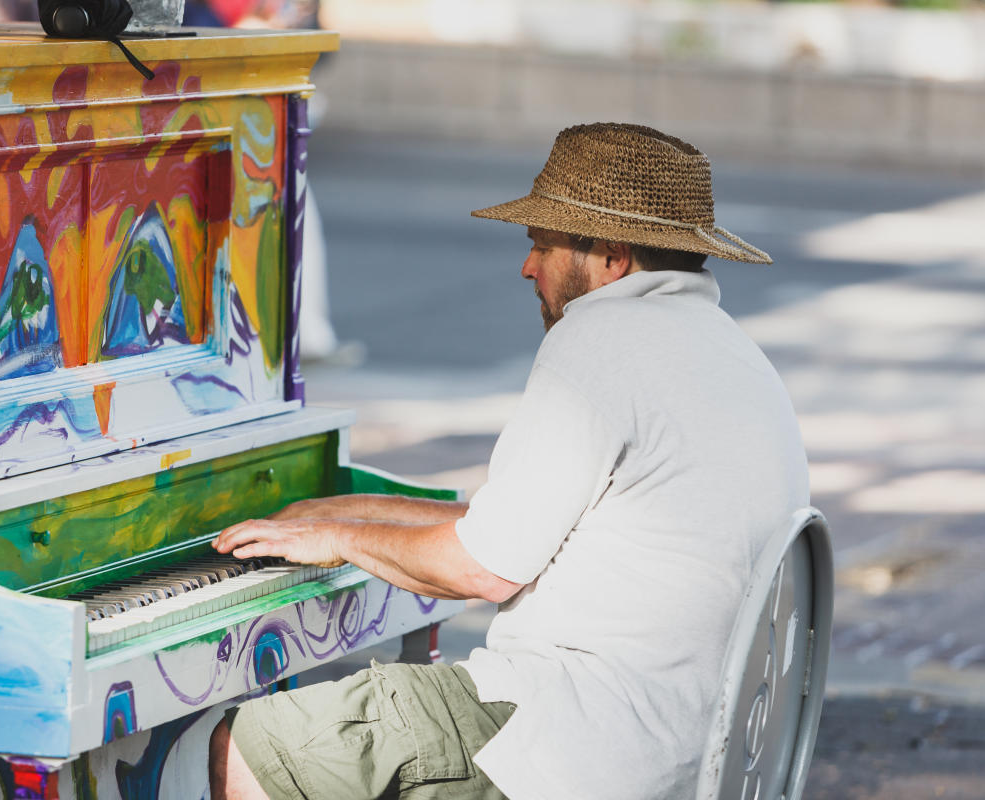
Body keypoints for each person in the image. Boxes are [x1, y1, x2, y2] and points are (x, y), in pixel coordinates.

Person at [207, 122, 810, 799]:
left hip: (581, 741)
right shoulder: (732, 354)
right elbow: (526, 531)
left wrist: (339, 539)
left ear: (611, 258)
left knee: (259, 746)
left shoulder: (600, 338)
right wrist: (355, 510)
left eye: (542, 245)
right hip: (706, 754)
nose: (528, 267)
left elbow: (481, 568)